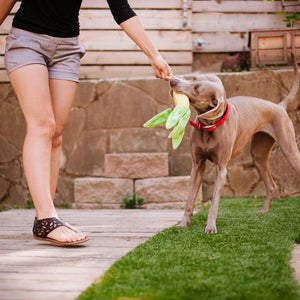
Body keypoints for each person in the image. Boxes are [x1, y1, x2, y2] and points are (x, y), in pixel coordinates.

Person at [0, 0, 173, 246]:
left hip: (67, 48)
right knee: (43, 125)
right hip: (27, 42)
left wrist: (154, 55)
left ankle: (44, 220)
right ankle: (48, 218)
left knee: (57, 132)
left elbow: (121, 9)